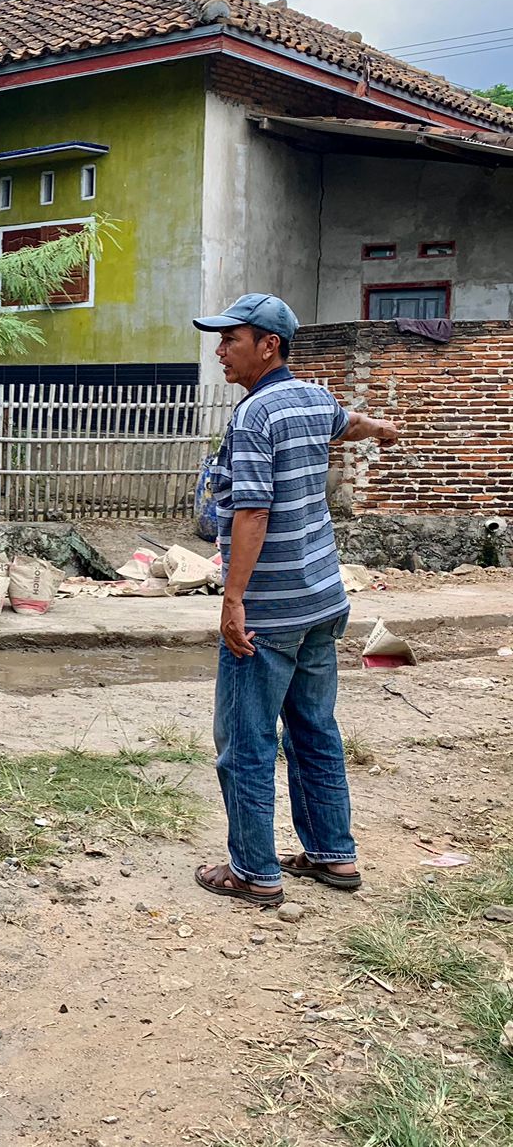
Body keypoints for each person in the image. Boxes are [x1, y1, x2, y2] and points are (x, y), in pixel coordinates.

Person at [190, 294, 399, 909]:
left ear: (269, 345)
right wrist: (381, 427)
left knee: (247, 742)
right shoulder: (312, 398)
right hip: (322, 598)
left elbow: (253, 510)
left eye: (232, 338)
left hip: (272, 609)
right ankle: (333, 854)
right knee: (314, 729)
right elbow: (349, 422)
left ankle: (254, 873)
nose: (221, 349)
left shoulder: (255, 415)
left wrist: (232, 601)